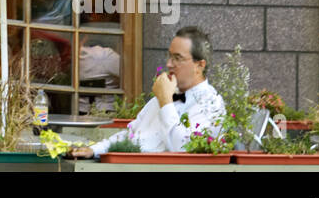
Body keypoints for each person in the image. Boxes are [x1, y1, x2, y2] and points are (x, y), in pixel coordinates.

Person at [70, 26, 225, 157]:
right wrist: (94, 149)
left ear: (199, 65)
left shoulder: (211, 103)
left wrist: (166, 102)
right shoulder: (163, 97)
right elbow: (132, 135)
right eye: (170, 56)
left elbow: (183, 148)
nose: (169, 64)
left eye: (178, 58)